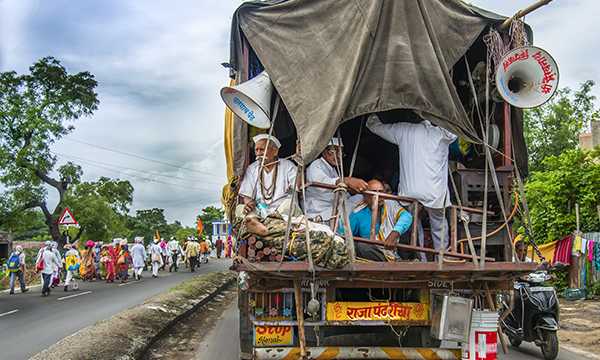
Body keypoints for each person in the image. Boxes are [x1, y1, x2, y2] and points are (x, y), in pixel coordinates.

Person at [367, 111, 457, 261]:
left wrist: (372, 113)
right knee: (439, 225)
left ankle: (421, 258)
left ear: (414, 116)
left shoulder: (404, 130)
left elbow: (376, 127)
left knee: (414, 226)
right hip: (435, 192)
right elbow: (456, 127)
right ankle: (442, 259)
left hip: (410, 192)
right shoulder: (442, 133)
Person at [339, 179, 413, 262]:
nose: (378, 195)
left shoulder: (391, 204)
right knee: (362, 247)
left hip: (396, 253)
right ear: (365, 196)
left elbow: (407, 216)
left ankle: (408, 261)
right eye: (373, 192)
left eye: (380, 191)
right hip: (376, 255)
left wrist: (395, 233)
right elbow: (344, 233)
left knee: (409, 230)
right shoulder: (359, 213)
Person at [305, 137, 368, 225]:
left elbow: (346, 197)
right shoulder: (316, 164)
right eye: (335, 151)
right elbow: (322, 183)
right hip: (319, 214)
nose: (339, 156)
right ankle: (320, 219)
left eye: (341, 153)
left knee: (361, 198)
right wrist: (347, 180)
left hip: (334, 213)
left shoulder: (333, 170)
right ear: (324, 152)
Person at [238, 134, 302, 217]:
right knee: (240, 209)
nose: (258, 154)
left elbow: (299, 186)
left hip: (282, 213)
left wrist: (301, 163)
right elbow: (247, 195)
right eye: (256, 150)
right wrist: (249, 203)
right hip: (260, 212)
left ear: (275, 151)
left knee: (289, 204)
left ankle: (263, 224)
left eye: (262, 150)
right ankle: (257, 223)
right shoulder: (252, 168)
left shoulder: (287, 166)